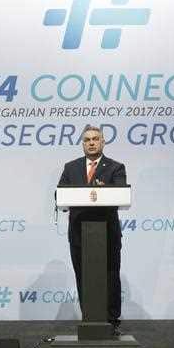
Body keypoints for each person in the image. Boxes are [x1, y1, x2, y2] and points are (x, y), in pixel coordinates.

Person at [58, 126, 126, 335]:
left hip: (107, 232)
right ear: (82, 143)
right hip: (79, 232)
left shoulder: (115, 167)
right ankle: (89, 316)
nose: (91, 143)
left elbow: (120, 194)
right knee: (82, 275)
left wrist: (103, 191)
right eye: (87, 139)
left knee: (111, 275)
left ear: (103, 142)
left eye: (96, 139)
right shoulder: (71, 167)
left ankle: (112, 320)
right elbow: (60, 194)